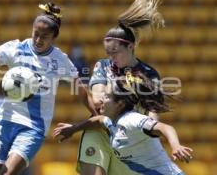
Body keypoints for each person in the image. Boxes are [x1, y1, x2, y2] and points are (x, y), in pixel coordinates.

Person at [0, 2, 97, 175]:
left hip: (33, 127)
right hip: (5, 121)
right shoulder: (15, 48)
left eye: (44, 36)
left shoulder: (60, 60)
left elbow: (81, 92)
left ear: (53, 37)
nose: (38, 40)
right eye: (36, 33)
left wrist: (99, 116)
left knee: (8, 173)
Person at [74, 0, 167, 175]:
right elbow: (99, 99)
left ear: (131, 47)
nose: (111, 57)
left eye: (115, 52)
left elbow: (153, 110)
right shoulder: (103, 66)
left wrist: (151, 129)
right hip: (100, 133)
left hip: (131, 140)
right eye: (108, 52)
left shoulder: (149, 74)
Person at [53, 72, 193, 175]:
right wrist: (73, 129)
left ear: (119, 104)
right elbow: (98, 120)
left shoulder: (132, 120)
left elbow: (165, 128)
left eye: (107, 96)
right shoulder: (112, 121)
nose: (102, 99)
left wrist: (176, 146)